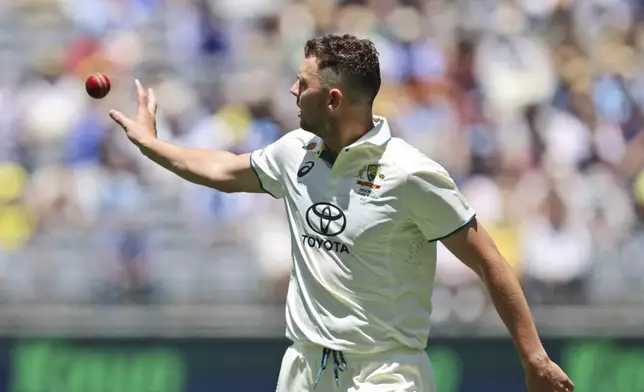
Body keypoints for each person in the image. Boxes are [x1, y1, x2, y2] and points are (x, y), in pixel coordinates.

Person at [109, 34, 574, 392]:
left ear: (332, 99)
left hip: (384, 372)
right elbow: (222, 170)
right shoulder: (295, 153)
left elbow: (488, 260)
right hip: (305, 367)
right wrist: (154, 145)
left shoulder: (410, 173)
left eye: (303, 83)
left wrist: (532, 356)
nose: (292, 90)